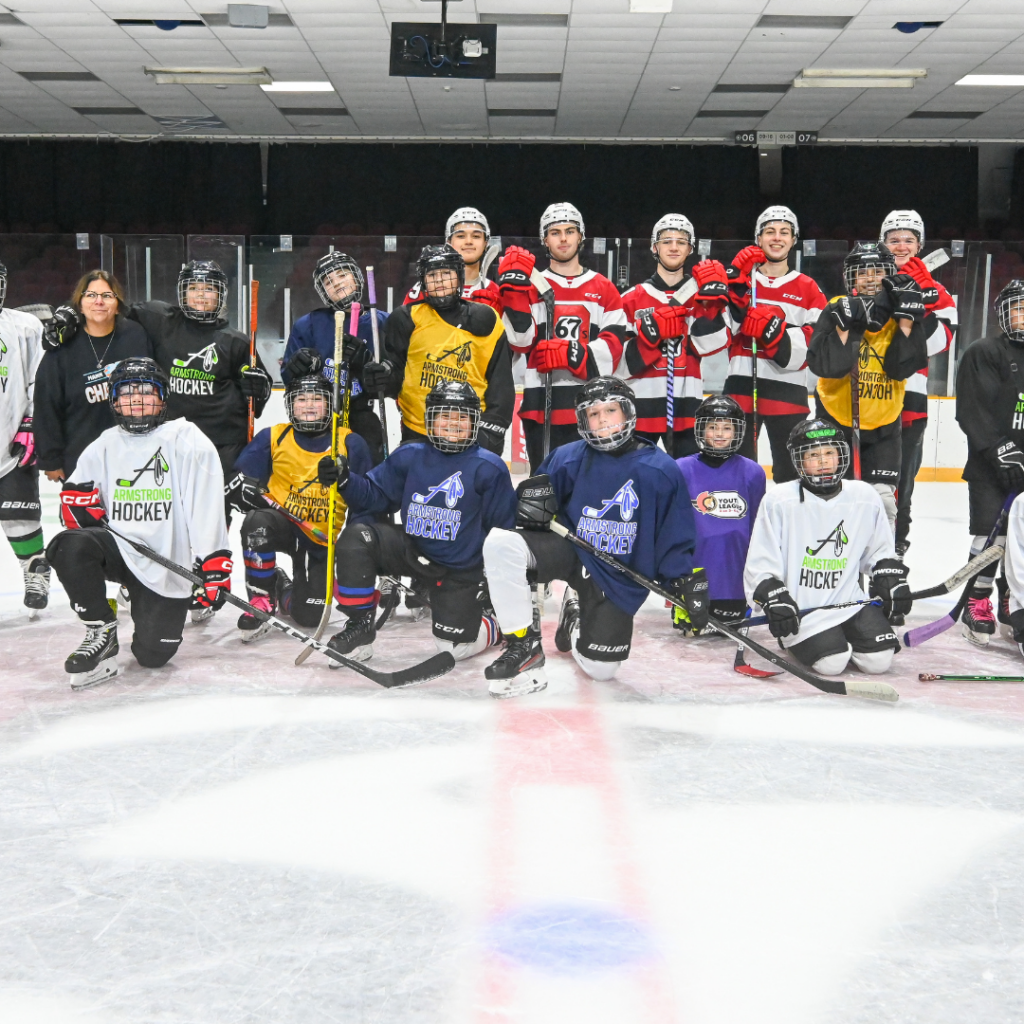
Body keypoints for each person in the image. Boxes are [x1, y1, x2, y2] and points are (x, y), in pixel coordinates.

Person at [481, 377, 705, 698]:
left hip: (615, 574)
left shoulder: (660, 469)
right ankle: (523, 643)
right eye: (594, 413)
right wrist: (531, 510)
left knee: (601, 670)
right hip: (571, 550)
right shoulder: (567, 457)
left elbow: (674, 533)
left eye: (610, 410)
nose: (602, 420)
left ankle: (573, 615)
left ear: (627, 413)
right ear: (583, 420)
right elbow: (532, 506)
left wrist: (683, 579)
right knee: (501, 544)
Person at [45, 358, 230, 688]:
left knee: (153, 655)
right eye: (127, 393)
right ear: (114, 401)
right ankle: (101, 630)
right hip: (119, 549)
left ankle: (141, 598)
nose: (137, 400)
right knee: (67, 545)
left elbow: (206, 507)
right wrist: (79, 509)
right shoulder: (103, 445)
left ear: (163, 398)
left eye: (147, 392)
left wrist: (213, 564)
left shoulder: (186, 439)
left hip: (166, 563)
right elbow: (72, 510)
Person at [316, 379, 515, 665]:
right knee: (358, 537)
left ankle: (492, 624)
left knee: (453, 648)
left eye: (462, 416)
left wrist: (491, 582)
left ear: (475, 422)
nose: (453, 423)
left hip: (459, 569)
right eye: (445, 415)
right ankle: (359, 625)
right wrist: (346, 480)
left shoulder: (490, 468)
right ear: (430, 420)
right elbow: (375, 497)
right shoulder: (410, 455)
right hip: (413, 552)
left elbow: (503, 533)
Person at [46, 260, 274, 491]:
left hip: (222, 445)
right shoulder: (159, 319)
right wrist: (70, 313)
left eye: (209, 289)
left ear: (221, 295)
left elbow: (256, 400)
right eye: (194, 288)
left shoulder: (237, 342)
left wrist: (259, 390)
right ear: (182, 292)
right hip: (167, 441)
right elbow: (106, 306)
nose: (201, 295)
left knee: (215, 518)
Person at [743, 419, 910, 675]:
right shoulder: (779, 501)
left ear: (841, 455)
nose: (823, 461)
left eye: (829, 453)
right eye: (813, 455)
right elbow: (761, 561)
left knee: (879, 662)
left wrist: (888, 576)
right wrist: (774, 598)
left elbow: (878, 552)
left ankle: (842, 634)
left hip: (850, 602)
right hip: (803, 608)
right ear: (799, 461)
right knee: (833, 663)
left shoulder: (864, 496)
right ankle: (793, 641)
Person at [226, 373, 374, 640]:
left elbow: (366, 501)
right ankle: (261, 598)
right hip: (281, 525)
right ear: (290, 404)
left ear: (330, 405)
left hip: (320, 538)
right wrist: (242, 492)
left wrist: (354, 547)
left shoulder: (350, 442)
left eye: (316, 399)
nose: (308, 405)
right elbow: (240, 482)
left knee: (308, 616)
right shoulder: (273, 437)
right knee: (256, 522)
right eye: (301, 399)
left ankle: (282, 587)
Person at [807, 242, 929, 540]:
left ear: (889, 274)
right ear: (850, 278)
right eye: (862, 273)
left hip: (885, 425)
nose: (871, 278)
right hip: (835, 420)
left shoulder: (902, 307)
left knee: (884, 502)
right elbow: (826, 366)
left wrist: (907, 319)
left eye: (878, 271)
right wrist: (846, 327)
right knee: (833, 500)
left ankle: (881, 567)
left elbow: (902, 367)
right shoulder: (835, 305)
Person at [497, 203, 631, 471]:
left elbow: (615, 344)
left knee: (588, 486)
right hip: (541, 404)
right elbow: (520, 342)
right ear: (544, 239)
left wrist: (574, 354)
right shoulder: (531, 285)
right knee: (544, 491)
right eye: (555, 232)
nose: (563, 238)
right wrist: (513, 297)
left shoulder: (603, 287)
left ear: (581, 236)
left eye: (570, 231)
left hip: (593, 405)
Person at [363, 244, 514, 457]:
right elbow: (394, 379)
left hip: (469, 434)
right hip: (417, 433)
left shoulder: (487, 320)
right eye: (433, 275)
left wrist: (491, 431)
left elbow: (502, 387)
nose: (440, 281)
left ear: (460, 277)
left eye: (446, 273)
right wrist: (380, 377)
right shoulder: (406, 318)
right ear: (422, 282)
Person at [722, 205, 826, 481]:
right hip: (741, 391)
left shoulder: (808, 287)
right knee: (738, 475)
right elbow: (721, 333)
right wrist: (736, 288)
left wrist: (772, 333)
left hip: (789, 396)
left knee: (792, 476)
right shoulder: (742, 281)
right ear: (758, 238)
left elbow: (812, 345)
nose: (776, 238)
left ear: (793, 240)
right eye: (769, 231)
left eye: (784, 232)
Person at [878, 210, 958, 556]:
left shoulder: (938, 290)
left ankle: (896, 547)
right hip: (869, 394)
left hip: (910, 395)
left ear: (920, 245)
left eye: (909, 239)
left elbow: (939, 343)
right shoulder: (868, 280)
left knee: (902, 481)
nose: (901, 245)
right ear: (883, 244)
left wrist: (923, 292)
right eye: (894, 239)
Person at [618, 214, 730, 456]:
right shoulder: (631, 298)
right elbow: (618, 365)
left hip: (686, 410)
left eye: (681, 241)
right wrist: (652, 336)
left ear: (690, 248)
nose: (673, 247)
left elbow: (713, 345)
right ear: (654, 246)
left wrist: (710, 307)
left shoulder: (700, 296)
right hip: (639, 410)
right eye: (667, 240)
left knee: (684, 486)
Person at [954, 279, 1024, 645]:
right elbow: (971, 408)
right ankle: (976, 598)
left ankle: (1012, 596)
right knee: (988, 533)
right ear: (1003, 312)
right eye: (1019, 307)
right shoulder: (984, 351)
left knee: (1022, 540)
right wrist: (999, 451)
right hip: (989, 463)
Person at [35, 270, 153, 480]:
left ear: (118, 306)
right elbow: (47, 406)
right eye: (90, 295)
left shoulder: (136, 335)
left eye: (107, 296)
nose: (99, 301)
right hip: (79, 457)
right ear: (79, 305)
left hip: (134, 456)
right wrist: (50, 459)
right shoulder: (62, 347)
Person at [280, 251, 388, 464]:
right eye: (328, 282)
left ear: (357, 277)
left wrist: (367, 365)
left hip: (362, 415)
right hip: (319, 418)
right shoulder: (308, 324)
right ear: (323, 292)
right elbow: (288, 379)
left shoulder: (382, 323)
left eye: (342, 275)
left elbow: (394, 379)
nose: (337, 284)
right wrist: (299, 367)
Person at [672, 395, 765, 630]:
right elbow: (672, 528)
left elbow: (757, 528)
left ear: (737, 432)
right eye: (713, 427)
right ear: (702, 429)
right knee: (695, 628)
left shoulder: (753, 472)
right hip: (693, 574)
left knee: (727, 629)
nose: (720, 434)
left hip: (735, 575)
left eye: (727, 428)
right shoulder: (681, 469)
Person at [0, 258, 48, 616]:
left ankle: (35, 570)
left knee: (20, 515)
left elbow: (39, 376)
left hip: (10, 442)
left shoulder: (24, 327)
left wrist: (32, 421)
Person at [403, 207, 501, 311]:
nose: (468, 241)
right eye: (461, 236)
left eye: (476, 236)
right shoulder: (426, 289)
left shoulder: (495, 292)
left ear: (486, 243)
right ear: (449, 243)